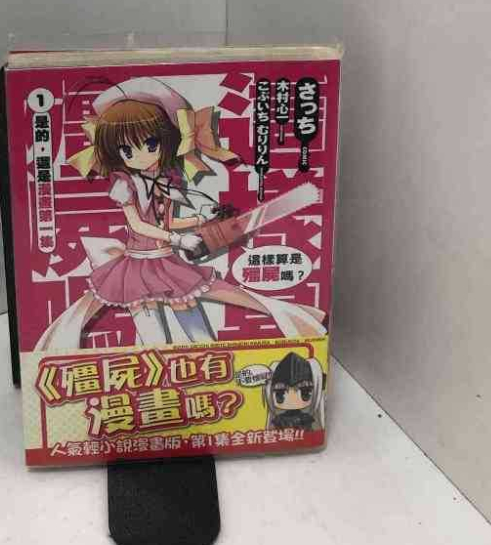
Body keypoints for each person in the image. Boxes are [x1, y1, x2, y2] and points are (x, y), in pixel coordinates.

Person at [35, 77, 326, 349]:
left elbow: (166, 221)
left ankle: (211, 356)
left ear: (166, 141)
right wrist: (177, 239)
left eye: (151, 144)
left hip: (166, 260)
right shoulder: (125, 184)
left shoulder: (165, 179)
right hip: (138, 264)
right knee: (150, 327)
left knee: (189, 310)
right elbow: (138, 226)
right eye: (127, 150)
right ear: (116, 153)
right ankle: (157, 369)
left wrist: (198, 221)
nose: (141, 156)